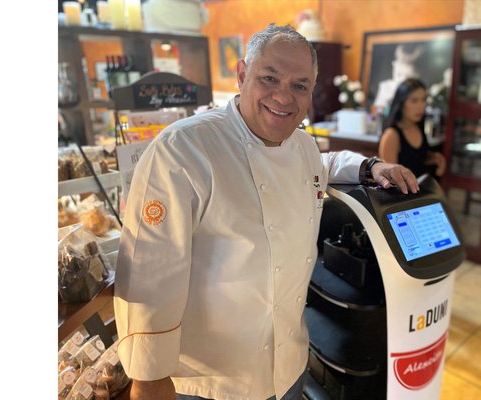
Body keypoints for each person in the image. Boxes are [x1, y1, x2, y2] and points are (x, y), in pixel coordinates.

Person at [113, 24, 419, 400]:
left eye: (299, 86)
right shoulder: (183, 149)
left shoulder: (302, 147)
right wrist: (148, 378)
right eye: (269, 78)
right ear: (242, 74)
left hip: (289, 366)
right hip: (210, 383)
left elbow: (326, 164)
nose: (283, 96)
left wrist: (371, 166)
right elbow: (148, 271)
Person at [378, 78, 446, 179]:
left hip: (420, 187)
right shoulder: (391, 135)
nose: (421, 106)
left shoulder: (418, 127)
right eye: (414, 101)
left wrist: (434, 158)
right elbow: (390, 179)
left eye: (423, 100)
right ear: (401, 104)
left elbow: (416, 160)